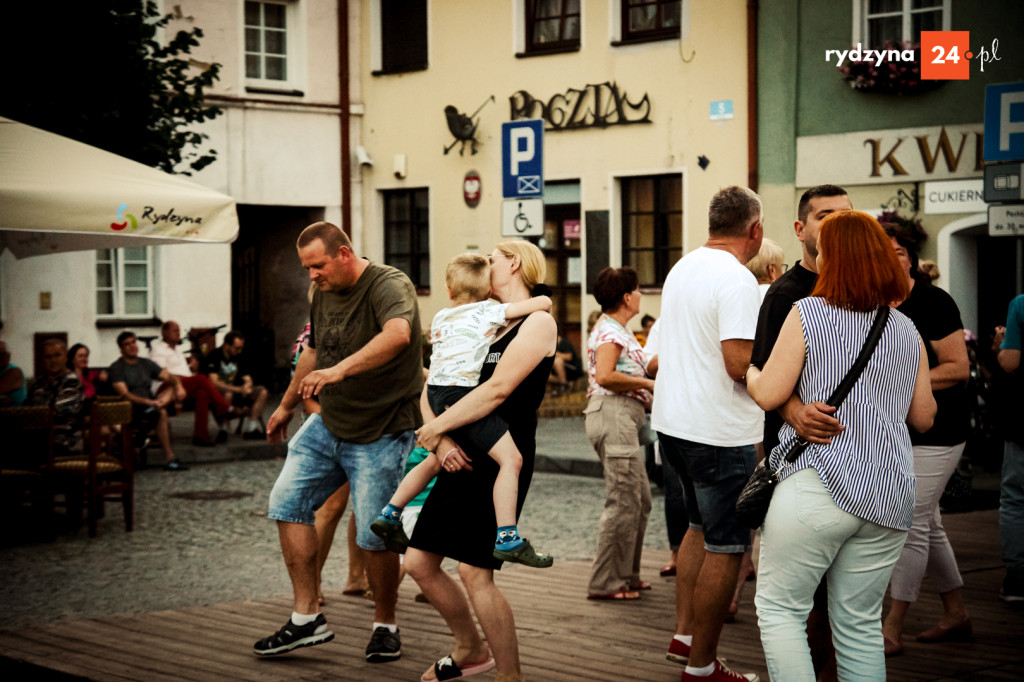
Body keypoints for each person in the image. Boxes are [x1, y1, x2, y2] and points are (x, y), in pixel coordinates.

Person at [746, 209, 937, 681]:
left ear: (831, 256)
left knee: (780, 609)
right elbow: (925, 417)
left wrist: (751, 372)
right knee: (860, 626)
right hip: (889, 493)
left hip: (819, 484)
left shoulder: (808, 312)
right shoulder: (905, 328)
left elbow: (769, 394)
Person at [256, 221, 424, 663]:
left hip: (383, 428)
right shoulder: (322, 293)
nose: (312, 275)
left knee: (375, 533)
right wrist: (287, 405)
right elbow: (312, 351)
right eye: (307, 267)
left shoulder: (389, 284)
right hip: (328, 423)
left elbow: (397, 335)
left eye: (318, 265)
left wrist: (339, 370)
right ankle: (306, 616)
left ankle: (385, 624)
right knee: (286, 503)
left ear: (344, 253)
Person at [404, 240, 556, 682]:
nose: (483, 266)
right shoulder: (480, 318)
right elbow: (433, 385)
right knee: (418, 563)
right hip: (459, 449)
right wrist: (440, 440)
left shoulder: (538, 323)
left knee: (474, 570)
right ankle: (470, 647)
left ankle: (509, 676)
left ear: (513, 262)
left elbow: (497, 390)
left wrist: (437, 430)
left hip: (500, 455)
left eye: (491, 259)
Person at [371, 253, 553, 567]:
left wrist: (435, 429)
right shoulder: (489, 312)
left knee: (430, 463)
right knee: (512, 459)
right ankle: (508, 535)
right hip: (463, 396)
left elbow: (435, 365)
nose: (490, 262)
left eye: (492, 258)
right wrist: (541, 298)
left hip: (439, 391)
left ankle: (390, 513)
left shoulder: (443, 317)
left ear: (448, 290)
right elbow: (540, 305)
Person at [651, 185, 763, 682]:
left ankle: (685, 636)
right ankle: (702, 667)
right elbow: (739, 363)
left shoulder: (682, 267)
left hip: (674, 424)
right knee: (728, 546)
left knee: (697, 530)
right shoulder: (737, 279)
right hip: (719, 431)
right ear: (754, 230)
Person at [750, 184, 852, 679]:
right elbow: (763, 375)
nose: (836, 224)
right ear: (800, 229)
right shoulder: (785, 295)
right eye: (825, 215)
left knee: (844, 604)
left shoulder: (865, 294)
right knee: (802, 600)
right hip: (798, 463)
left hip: (858, 470)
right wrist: (795, 412)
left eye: (846, 216)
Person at [881, 229, 973, 655]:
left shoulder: (934, 303)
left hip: (940, 431)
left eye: (899, 252)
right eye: (884, 253)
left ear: (912, 260)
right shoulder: (875, 301)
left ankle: (892, 626)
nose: (891, 259)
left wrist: (906, 386)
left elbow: (957, 368)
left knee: (911, 523)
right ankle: (956, 612)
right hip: (897, 431)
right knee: (929, 524)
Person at [584, 266, 656, 600]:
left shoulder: (617, 330)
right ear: (627, 297)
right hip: (613, 414)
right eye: (638, 289)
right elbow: (605, 375)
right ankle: (606, 582)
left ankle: (627, 574)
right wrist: (646, 382)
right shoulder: (610, 333)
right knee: (623, 499)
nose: (641, 293)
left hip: (622, 417)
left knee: (638, 500)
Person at [644, 320, 687, 580]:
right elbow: (649, 365)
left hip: (710, 419)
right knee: (675, 491)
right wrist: (680, 349)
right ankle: (676, 553)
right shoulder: (665, 322)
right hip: (672, 416)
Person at [107, 331, 188, 471]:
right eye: (127, 344)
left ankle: (153, 416)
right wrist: (147, 402)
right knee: (162, 413)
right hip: (130, 410)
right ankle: (170, 458)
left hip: (150, 406)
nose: (132, 346)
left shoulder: (145, 363)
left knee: (171, 391)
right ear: (120, 348)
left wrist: (178, 386)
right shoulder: (117, 368)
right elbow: (125, 395)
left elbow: (169, 376)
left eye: (133, 342)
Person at [149, 320, 236, 446]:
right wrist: (184, 380)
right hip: (165, 387)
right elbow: (162, 374)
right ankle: (225, 408)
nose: (178, 333)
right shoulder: (158, 350)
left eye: (179, 330)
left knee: (202, 393)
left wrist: (191, 369)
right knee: (201, 379)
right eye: (174, 330)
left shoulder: (178, 349)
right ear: (164, 333)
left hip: (183, 385)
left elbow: (182, 371)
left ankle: (200, 437)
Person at [993, 293, 1024, 603]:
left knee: (1016, 497)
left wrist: (1000, 345)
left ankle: (1017, 580)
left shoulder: (1021, 304)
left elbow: (1010, 361)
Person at [203, 330, 268, 441]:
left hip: (238, 393)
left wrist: (247, 386)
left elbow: (247, 377)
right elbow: (214, 382)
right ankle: (224, 429)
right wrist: (238, 389)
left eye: (241, 348)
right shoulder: (214, 356)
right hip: (221, 394)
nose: (239, 351)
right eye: (237, 348)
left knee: (262, 391)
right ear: (227, 344)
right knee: (228, 393)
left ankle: (251, 428)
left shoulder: (239, 356)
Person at [27, 338, 85, 456]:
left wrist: (31, 414)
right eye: (48, 357)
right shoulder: (37, 383)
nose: (53, 360)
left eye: (57, 355)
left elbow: (59, 412)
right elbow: (25, 409)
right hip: (38, 439)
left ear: (66, 357)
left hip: (65, 442)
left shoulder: (72, 382)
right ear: (42, 359)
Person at [745, 236, 785, 302]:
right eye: (781, 267)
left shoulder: (743, 295)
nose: (783, 273)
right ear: (772, 270)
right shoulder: (780, 297)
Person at [0, 340, 27, 407]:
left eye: (3, 353)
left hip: (15, 415)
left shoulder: (14, 371)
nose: (0, 357)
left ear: (8, 355)